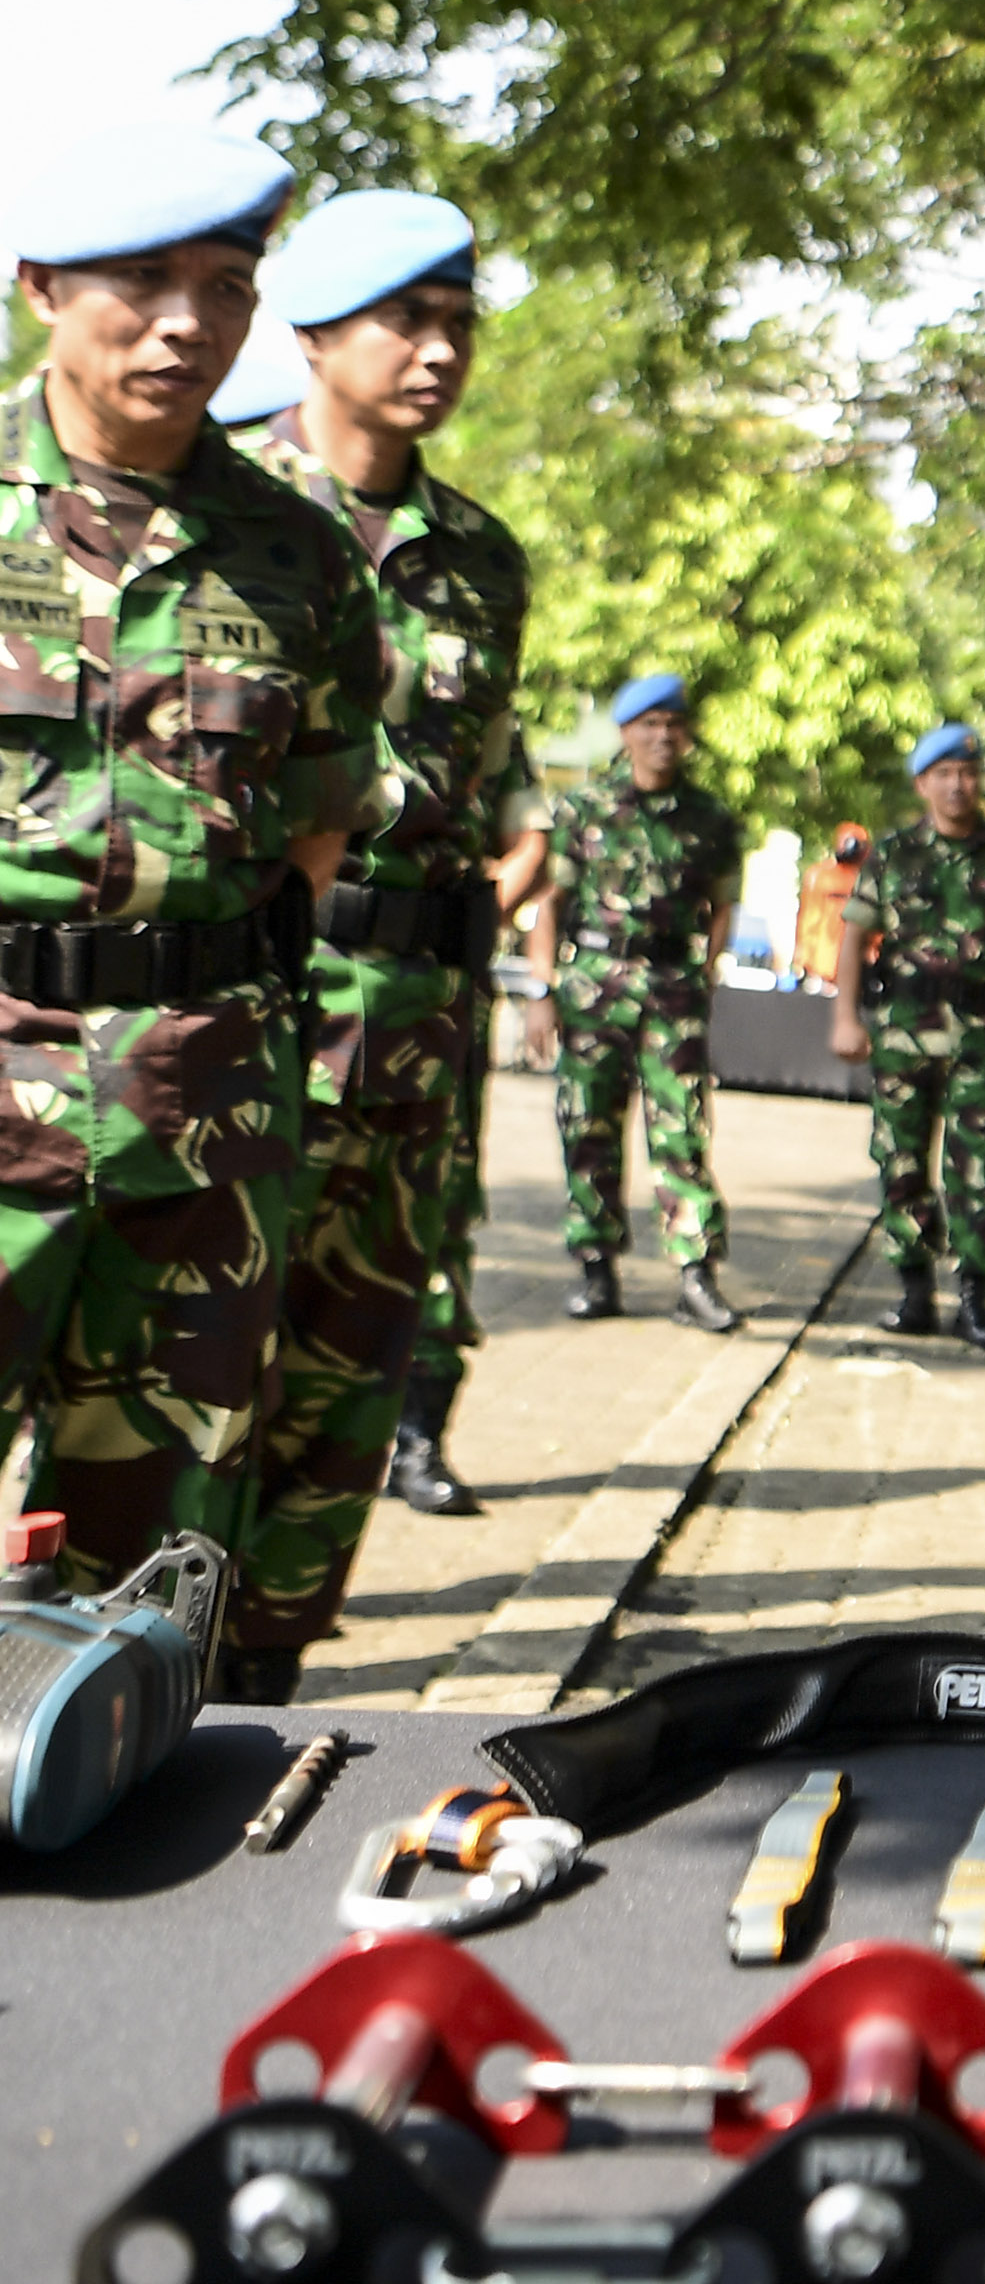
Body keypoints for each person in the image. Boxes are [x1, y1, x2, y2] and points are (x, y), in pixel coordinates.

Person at [0, 128, 386, 1653]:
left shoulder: (294, 550)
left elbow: (318, 828)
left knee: (145, 1572)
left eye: (224, 288)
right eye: (143, 282)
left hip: (200, 1117)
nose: (187, 323)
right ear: (38, 289)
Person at [227, 191, 547, 1647]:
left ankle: (266, 1683)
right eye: (404, 321)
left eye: (457, 325)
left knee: (350, 1383)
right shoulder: (225, 511)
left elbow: (483, 775)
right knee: (190, 1373)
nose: (437, 353)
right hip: (247, 1013)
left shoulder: (481, 554)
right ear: (313, 335)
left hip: (416, 1034)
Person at [831, 721, 985, 1351]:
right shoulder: (896, 854)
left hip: (981, 1036)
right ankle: (913, 1291)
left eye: (969, 772)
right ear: (924, 783)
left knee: (979, 1169)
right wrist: (845, 1018)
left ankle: (976, 1299)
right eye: (945, 774)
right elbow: (853, 937)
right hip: (902, 1033)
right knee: (900, 1162)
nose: (959, 784)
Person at [541, 671, 744, 1329]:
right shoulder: (583, 809)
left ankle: (695, 1275)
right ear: (626, 733)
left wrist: (706, 971)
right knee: (587, 1126)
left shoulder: (711, 819)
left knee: (681, 1130)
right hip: (593, 982)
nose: (662, 736)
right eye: (649, 725)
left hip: (671, 988)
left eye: (673, 725)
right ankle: (596, 1270)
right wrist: (542, 990)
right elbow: (551, 902)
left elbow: (723, 903)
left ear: (687, 736)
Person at [792, 823, 868, 986]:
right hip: (820, 963)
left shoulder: (866, 879)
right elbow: (808, 917)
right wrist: (801, 956)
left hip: (851, 964)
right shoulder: (820, 875)